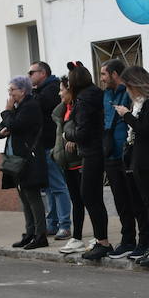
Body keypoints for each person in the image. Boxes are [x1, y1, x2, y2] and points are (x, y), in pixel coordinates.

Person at [114, 64, 149, 266]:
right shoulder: (141, 103)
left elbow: (145, 129)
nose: (127, 91)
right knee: (147, 204)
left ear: (136, 84)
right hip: (139, 157)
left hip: (148, 158)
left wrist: (126, 115)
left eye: (128, 86)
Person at [99, 59, 147, 258]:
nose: (101, 79)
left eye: (103, 74)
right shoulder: (105, 95)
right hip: (110, 154)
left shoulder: (128, 93)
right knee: (121, 202)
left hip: (127, 155)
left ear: (115, 74)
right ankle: (128, 240)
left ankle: (144, 241)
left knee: (137, 201)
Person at [0, 76, 48, 249]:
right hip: (16, 160)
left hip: (29, 159)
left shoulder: (30, 106)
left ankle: (41, 235)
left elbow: (15, 125)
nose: (10, 94)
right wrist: (2, 130)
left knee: (33, 197)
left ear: (23, 90)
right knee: (24, 198)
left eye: (12, 90)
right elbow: (1, 127)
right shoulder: (18, 107)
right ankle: (30, 233)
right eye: (9, 90)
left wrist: (7, 111)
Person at [68, 62, 113, 261]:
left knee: (90, 196)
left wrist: (68, 133)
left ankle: (102, 241)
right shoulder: (94, 94)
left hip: (92, 152)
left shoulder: (84, 99)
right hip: (96, 150)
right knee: (93, 197)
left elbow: (82, 131)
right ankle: (100, 239)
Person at [29, 61, 71, 240]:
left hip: (52, 145)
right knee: (48, 188)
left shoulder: (51, 89)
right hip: (41, 145)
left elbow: (40, 107)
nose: (29, 76)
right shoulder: (39, 91)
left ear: (43, 73)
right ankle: (52, 223)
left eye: (32, 72)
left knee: (58, 186)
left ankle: (64, 224)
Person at [54, 77, 87, 254]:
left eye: (62, 90)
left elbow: (82, 130)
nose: (60, 93)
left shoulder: (79, 108)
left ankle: (98, 237)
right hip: (67, 161)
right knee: (76, 200)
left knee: (88, 199)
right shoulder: (62, 110)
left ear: (71, 90)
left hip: (80, 160)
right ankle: (77, 237)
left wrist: (72, 137)